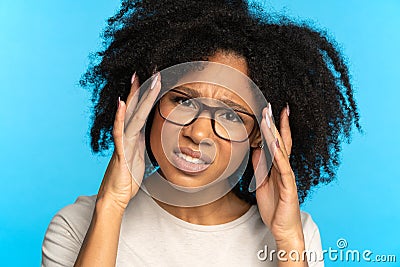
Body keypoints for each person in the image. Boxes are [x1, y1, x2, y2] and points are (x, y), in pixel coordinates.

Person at [42, 0, 361, 266]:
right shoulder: (77, 225)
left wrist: (288, 238)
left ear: (258, 135)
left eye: (229, 115)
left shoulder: (296, 236)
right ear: (149, 106)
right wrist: (110, 205)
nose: (197, 133)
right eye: (182, 101)